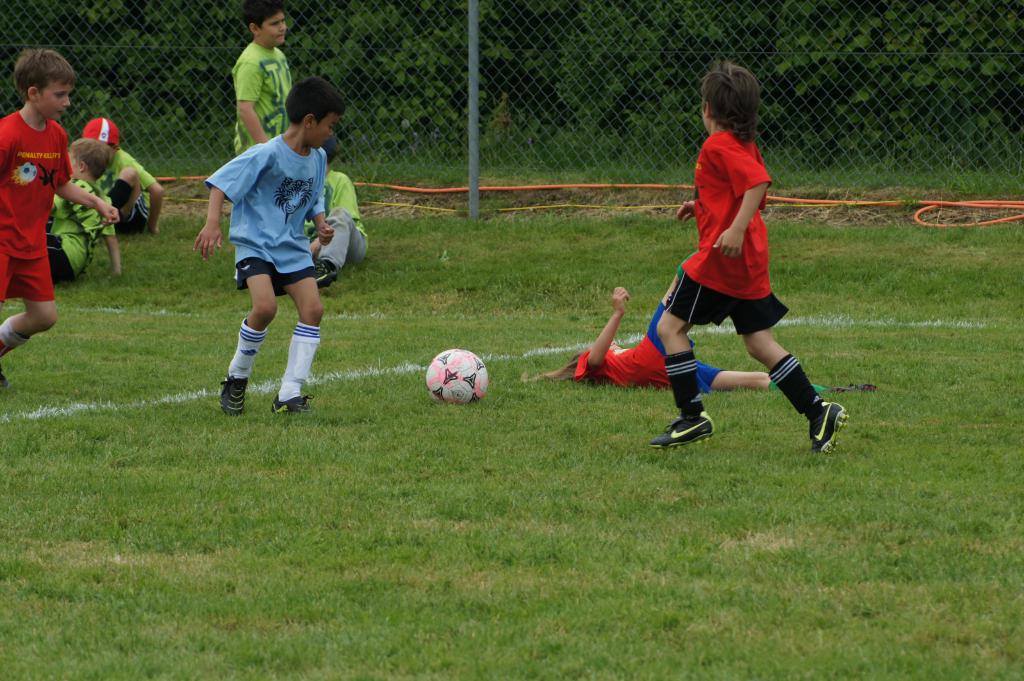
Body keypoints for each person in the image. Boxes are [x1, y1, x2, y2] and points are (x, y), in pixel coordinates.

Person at [649, 61, 848, 453]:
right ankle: (818, 411)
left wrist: (736, 229)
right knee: (759, 343)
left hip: (721, 262)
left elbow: (757, 184)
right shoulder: (742, 145)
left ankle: (692, 417)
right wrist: (700, 206)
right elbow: (735, 190)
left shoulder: (717, 145)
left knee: (669, 328)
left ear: (707, 108)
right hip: (749, 263)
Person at [194, 76, 343, 415]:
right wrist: (213, 222)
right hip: (256, 244)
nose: (331, 133)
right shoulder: (266, 154)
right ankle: (236, 377)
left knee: (313, 310)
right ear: (310, 121)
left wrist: (320, 223)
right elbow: (221, 183)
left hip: (292, 247)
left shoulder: (318, 157)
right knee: (264, 308)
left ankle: (289, 393)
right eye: (330, 125)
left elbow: (314, 195)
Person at [0, 49, 118, 389]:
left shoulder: (57, 135)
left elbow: (61, 182)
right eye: (60, 94)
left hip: (32, 243)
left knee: (44, 316)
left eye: (68, 94)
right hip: (3, 241)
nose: (67, 102)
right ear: (33, 93)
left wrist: (97, 202)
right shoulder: (7, 135)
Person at [541, 286, 832, 394]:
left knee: (755, 379)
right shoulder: (595, 362)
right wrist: (617, 314)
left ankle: (826, 390)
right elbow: (594, 358)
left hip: (669, 371)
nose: (612, 345)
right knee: (679, 283)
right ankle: (702, 268)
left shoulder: (614, 365)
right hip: (649, 358)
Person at [47, 138, 122, 282]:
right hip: (76, 267)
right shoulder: (104, 199)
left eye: (67, 161)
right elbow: (111, 238)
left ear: (81, 166)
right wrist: (116, 270)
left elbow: (47, 207)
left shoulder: (75, 187)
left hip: (62, 254)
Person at [81, 117, 164, 235]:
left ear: (115, 148)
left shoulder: (124, 160)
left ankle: (116, 214)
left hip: (129, 218)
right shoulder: (85, 161)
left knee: (130, 173)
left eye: (101, 149)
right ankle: (94, 221)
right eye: (91, 148)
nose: (95, 154)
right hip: (103, 211)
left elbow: (157, 191)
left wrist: (152, 227)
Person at [307, 134, 367, 288]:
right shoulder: (299, 181)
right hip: (308, 244)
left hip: (347, 245)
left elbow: (345, 221)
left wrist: (319, 242)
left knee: (340, 213)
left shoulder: (340, 180)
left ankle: (325, 266)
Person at [233, 0, 292, 155]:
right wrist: (266, 148)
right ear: (254, 28)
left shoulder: (279, 55)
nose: (282, 27)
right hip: (257, 152)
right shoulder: (250, 62)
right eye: (274, 23)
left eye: (283, 21)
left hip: (280, 145)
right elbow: (245, 109)